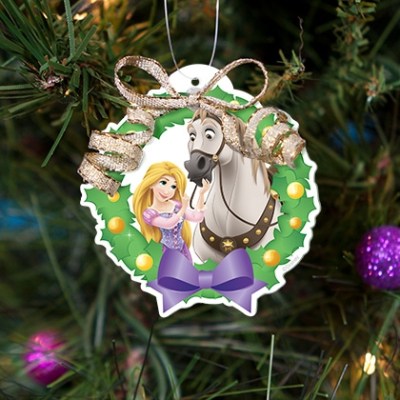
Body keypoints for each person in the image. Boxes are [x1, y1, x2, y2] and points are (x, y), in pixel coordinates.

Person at [133, 161, 210, 263]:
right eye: (163, 183)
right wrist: (183, 208)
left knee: (188, 271)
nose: (167, 191)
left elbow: (197, 217)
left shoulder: (176, 205)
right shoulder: (149, 213)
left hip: (183, 250)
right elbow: (168, 224)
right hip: (166, 252)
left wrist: (202, 194)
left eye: (173, 186)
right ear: (151, 183)